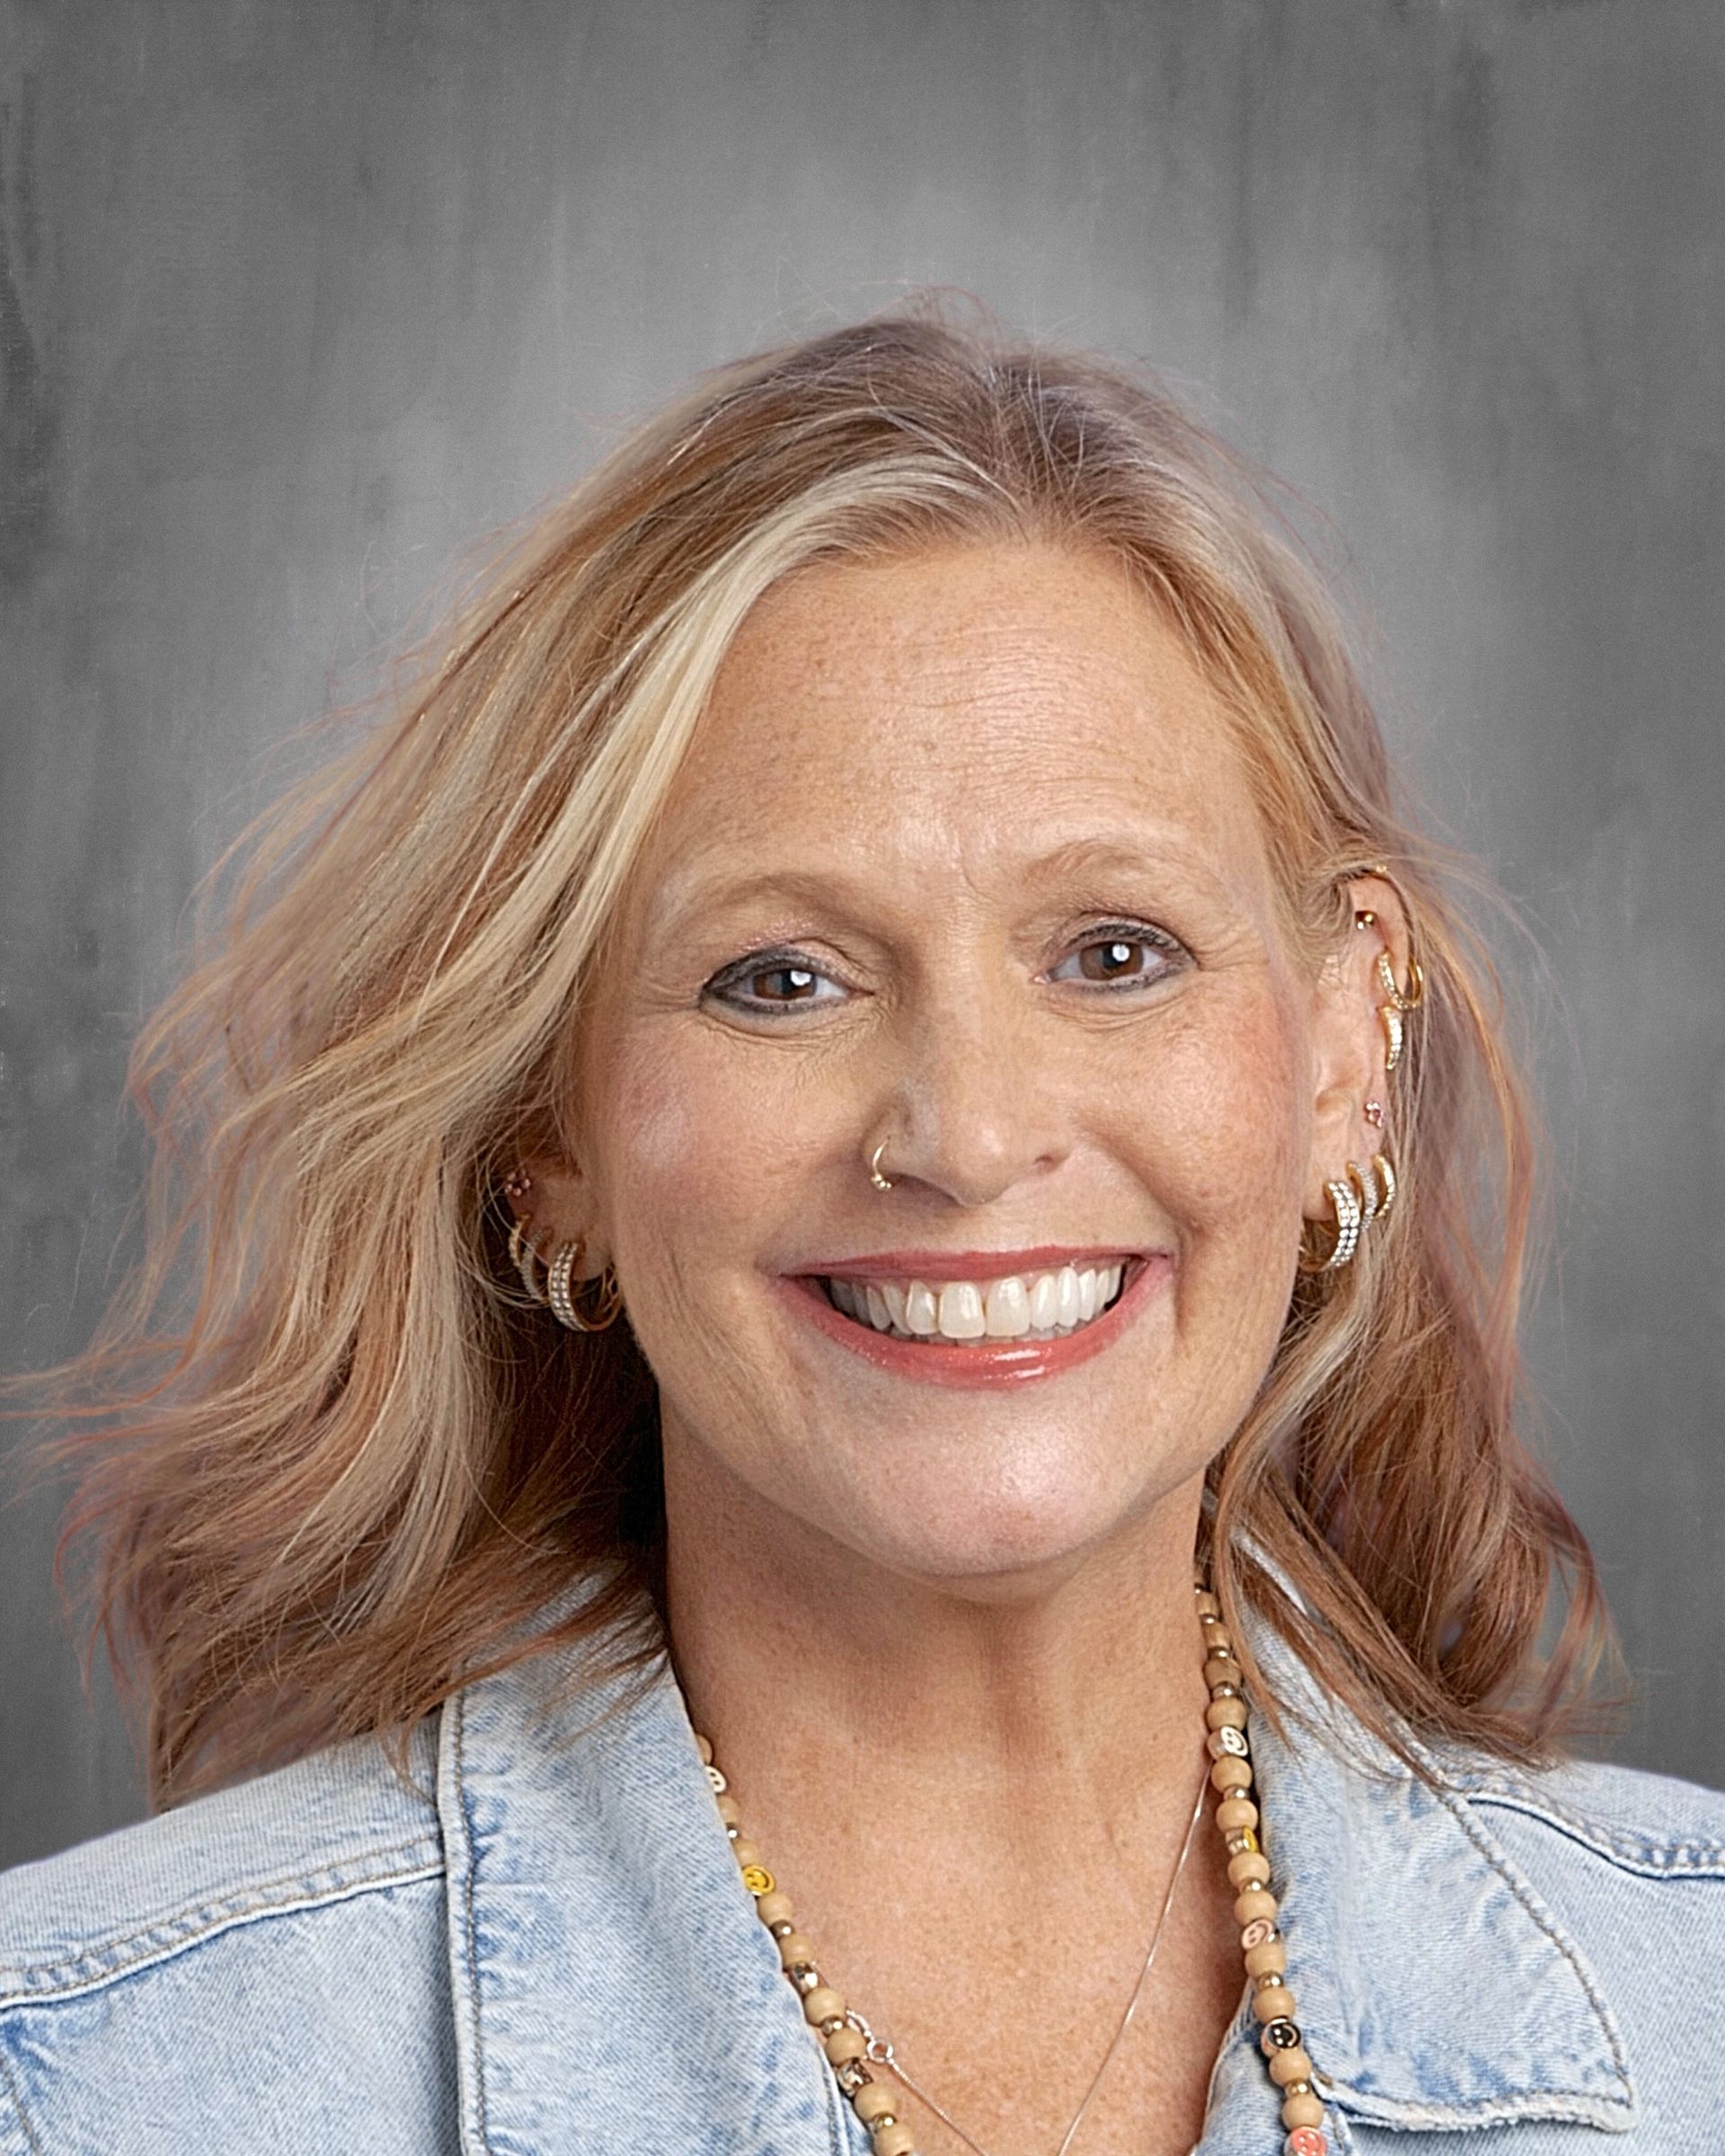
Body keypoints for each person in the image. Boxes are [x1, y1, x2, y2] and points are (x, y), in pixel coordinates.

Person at [2, 308, 1719, 2156]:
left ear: (1338, 1058)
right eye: (781, 977)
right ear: (546, 1138)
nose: (969, 1136)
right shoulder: (94, 2079)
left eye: (1115, 953)